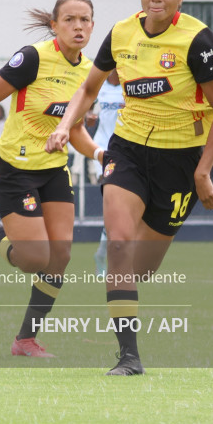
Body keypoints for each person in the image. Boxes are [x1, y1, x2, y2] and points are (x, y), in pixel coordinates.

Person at [46, 0, 213, 375]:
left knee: (142, 268)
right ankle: (129, 358)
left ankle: (127, 311)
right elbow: (88, 87)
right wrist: (64, 125)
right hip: (126, 151)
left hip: (181, 161)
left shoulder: (198, 40)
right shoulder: (121, 33)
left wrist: (202, 172)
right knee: (118, 246)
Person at [0, 0, 102, 358]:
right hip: (15, 170)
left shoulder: (89, 72)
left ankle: (25, 340)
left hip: (53, 170)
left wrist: (99, 152)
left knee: (61, 255)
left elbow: (75, 128)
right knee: (35, 259)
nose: (78, 26)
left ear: (93, 26)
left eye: (85, 19)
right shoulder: (33, 58)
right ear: (54, 25)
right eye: (69, 19)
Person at [84, 69, 124, 276]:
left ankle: (102, 252)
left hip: (125, 146)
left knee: (118, 205)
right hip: (103, 147)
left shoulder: (129, 84)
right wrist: (88, 119)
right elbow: (85, 109)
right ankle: (104, 253)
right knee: (113, 199)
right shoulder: (100, 85)